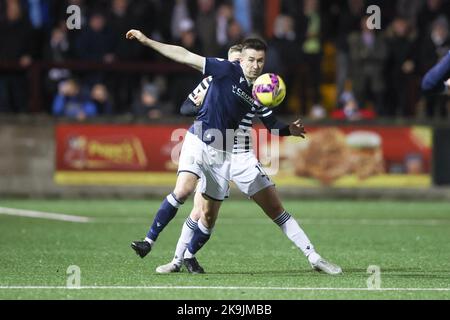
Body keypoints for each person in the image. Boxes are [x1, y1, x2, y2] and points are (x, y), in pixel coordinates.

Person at [155, 45, 342, 275]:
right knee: (199, 211)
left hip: (241, 156)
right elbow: (185, 107)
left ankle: (313, 256)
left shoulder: (258, 90)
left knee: (274, 208)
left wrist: (288, 130)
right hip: (214, 152)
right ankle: (176, 260)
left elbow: (271, 124)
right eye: (240, 61)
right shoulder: (217, 79)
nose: (247, 66)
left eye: (257, 61)